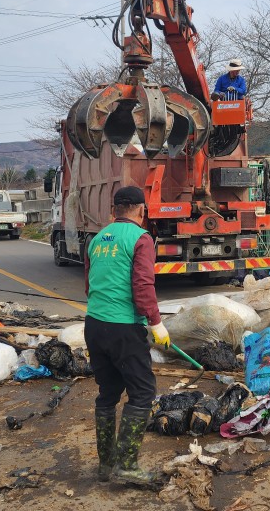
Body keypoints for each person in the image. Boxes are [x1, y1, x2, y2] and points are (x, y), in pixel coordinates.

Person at [83, 185, 169, 486]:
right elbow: (143, 286)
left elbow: (89, 284)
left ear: (114, 210)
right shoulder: (141, 239)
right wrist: (156, 324)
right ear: (141, 211)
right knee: (143, 393)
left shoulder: (95, 240)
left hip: (94, 325)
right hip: (123, 329)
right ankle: (127, 466)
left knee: (107, 394)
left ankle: (106, 466)